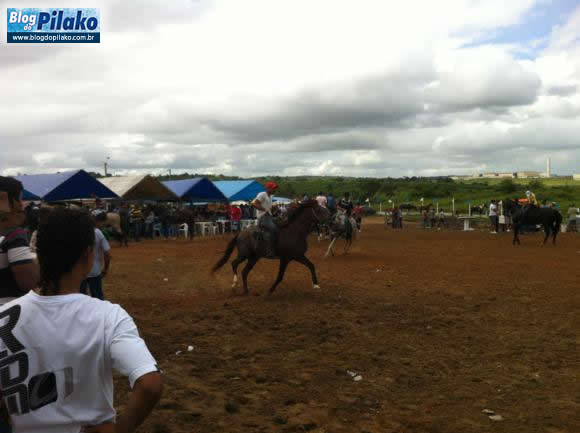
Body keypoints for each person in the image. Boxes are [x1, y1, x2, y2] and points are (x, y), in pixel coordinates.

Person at [0, 208, 162, 433]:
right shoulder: (109, 316)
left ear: (38, 253)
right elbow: (150, 384)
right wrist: (121, 429)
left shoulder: (5, 316)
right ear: (88, 254)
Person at [0, 177, 39, 306]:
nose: (21, 204)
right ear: (5, 200)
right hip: (8, 310)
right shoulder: (13, 235)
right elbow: (28, 283)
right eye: (19, 198)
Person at [80, 219, 111, 300]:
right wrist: (105, 269)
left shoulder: (76, 232)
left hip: (79, 272)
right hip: (95, 270)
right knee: (98, 297)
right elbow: (107, 253)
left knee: (80, 298)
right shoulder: (98, 232)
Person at [252, 182, 279, 258]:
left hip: (268, 216)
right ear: (268, 188)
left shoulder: (270, 196)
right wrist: (264, 209)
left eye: (275, 188)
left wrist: (273, 208)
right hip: (263, 217)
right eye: (273, 188)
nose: (275, 190)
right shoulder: (262, 194)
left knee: (280, 225)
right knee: (274, 229)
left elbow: (268, 208)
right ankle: (270, 251)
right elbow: (254, 204)